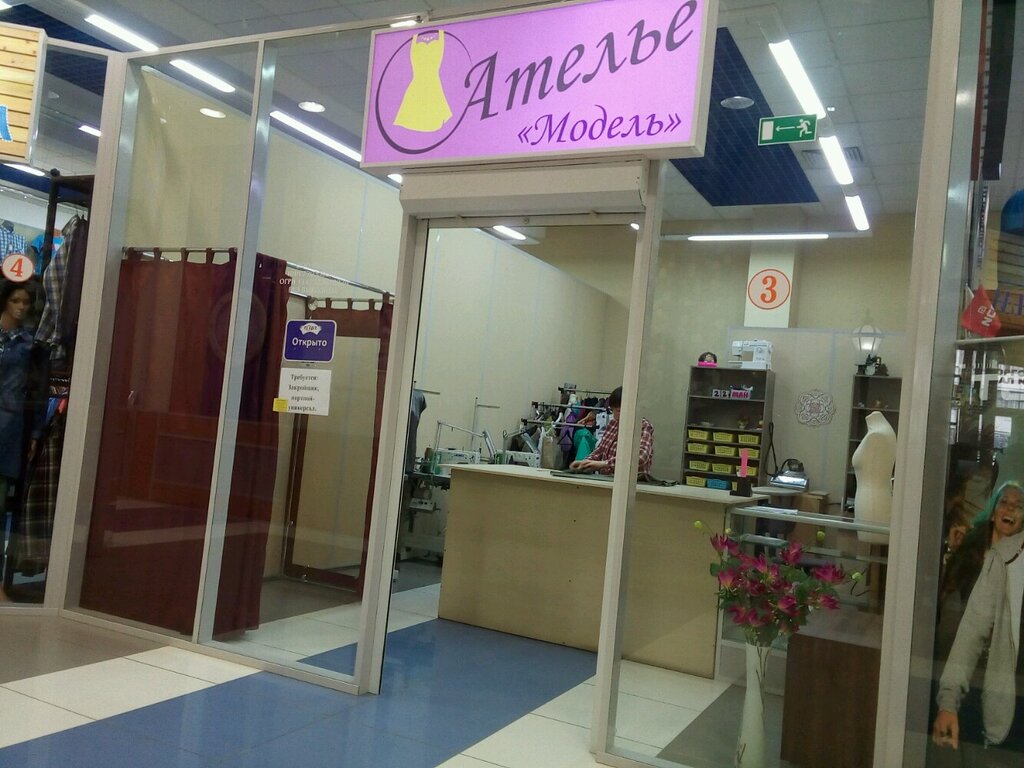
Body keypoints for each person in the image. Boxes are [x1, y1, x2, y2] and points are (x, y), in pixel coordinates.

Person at [933, 482, 1024, 763]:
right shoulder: (981, 554)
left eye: (1018, 506)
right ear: (993, 511)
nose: (1010, 509)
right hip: (975, 671)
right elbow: (968, 627)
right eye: (1004, 502)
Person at [0, 280, 41, 525]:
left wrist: (35, 432)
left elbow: (36, 389)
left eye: (25, 302)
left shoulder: (29, 344)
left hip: (10, 422)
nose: (21, 307)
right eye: (15, 300)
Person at [569, 386, 653, 475]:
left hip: (631, 480)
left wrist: (605, 464)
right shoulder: (613, 423)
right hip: (608, 479)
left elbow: (641, 457)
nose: (615, 415)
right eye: (613, 410)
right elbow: (600, 450)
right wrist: (585, 463)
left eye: (618, 410)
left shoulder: (643, 426)